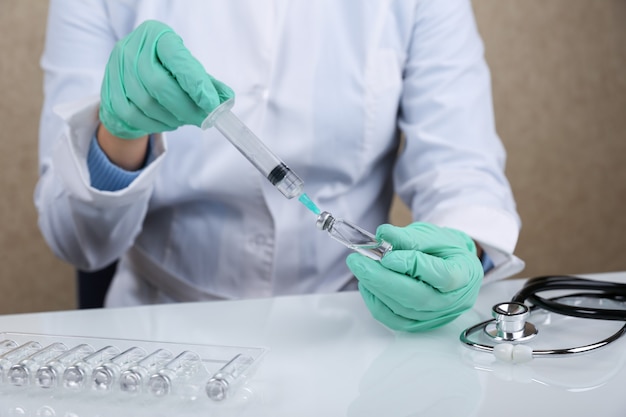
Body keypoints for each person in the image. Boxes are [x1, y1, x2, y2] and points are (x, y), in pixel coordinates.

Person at [36, 0, 524, 332]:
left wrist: (463, 250)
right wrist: (118, 132)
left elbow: (461, 168)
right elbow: (75, 239)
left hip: (352, 328)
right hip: (163, 329)